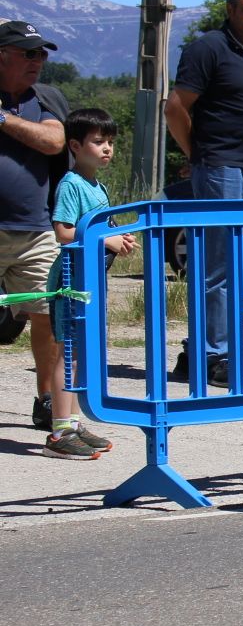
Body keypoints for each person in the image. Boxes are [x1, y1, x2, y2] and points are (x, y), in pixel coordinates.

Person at [166, 0, 243, 388]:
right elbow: (175, 108)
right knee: (217, 267)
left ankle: (199, 350)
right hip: (220, 168)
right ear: (231, 10)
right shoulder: (208, 48)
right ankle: (213, 356)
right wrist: (196, 154)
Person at [42, 109, 135, 458]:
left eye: (110, 142)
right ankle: (59, 432)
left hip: (91, 281)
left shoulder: (97, 185)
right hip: (70, 283)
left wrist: (118, 239)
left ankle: (74, 421)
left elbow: (101, 230)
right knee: (69, 354)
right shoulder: (71, 184)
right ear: (75, 146)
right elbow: (64, 232)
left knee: (82, 353)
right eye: (98, 142)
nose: (107, 148)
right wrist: (104, 240)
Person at [0, 21, 70, 435]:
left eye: (42, 54)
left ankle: (47, 400)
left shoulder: (45, 98)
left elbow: (53, 142)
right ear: (2, 55)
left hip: (35, 229)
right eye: (29, 54)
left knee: (48, 317)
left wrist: (3, 120)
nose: (38, 62)